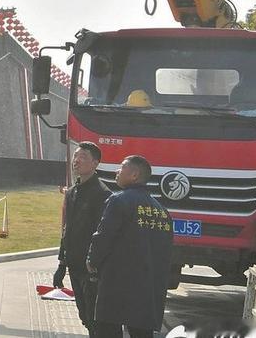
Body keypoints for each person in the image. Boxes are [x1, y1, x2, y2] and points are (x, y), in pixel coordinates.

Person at [87, 155, 173, 338]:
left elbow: (103, 236)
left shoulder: (119, 200)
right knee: (141, 331)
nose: (117, 172)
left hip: (117, 281)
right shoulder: (162, 211)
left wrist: (92, 261)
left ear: (134, 175)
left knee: (107, 328)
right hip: (148, 285)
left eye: (122, 168)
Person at [52, 142, 110, 336]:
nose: (76, 160)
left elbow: (103, 234)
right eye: (75, 156)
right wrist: (61, 264)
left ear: (95, 163)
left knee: (94, 317)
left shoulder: (103, 194)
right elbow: (66, 230)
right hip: (74, 265)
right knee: (84, 315)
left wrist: (94, 263)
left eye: (83, 156)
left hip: (91, 268)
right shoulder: (71, 193)